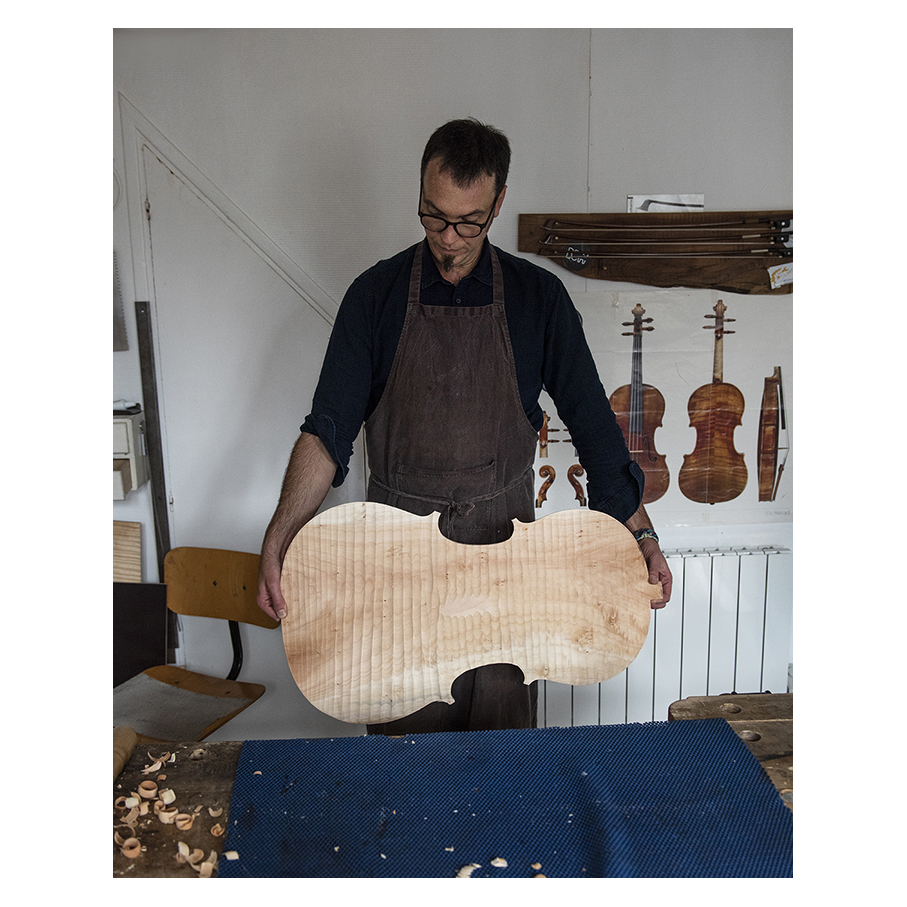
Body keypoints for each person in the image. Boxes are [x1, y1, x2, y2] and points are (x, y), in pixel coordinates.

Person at [258, 117, 672, 735]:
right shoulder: (373, 297)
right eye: (433, 216)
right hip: (394, 571)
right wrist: (278, 539)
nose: (449, 238)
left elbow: (593, 426)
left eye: (468, 222)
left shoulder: (539, 299)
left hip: (506, 563)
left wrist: (639, 533)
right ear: (421, 194)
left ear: (498, 203)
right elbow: (325, 434)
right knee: (403, 769)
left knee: (503, 766)